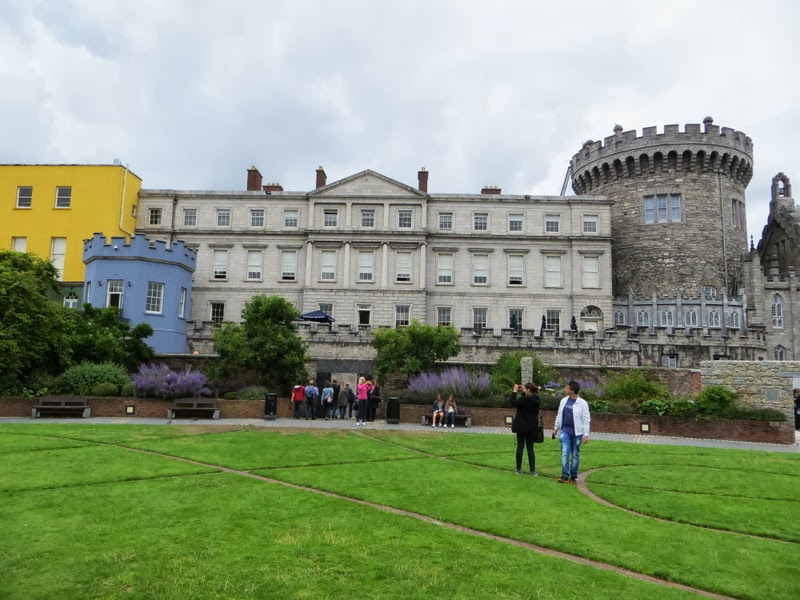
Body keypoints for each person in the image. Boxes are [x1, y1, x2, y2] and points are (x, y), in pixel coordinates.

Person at [553, 380, 591, 483]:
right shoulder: (564, 401)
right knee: (565, 452)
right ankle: (565, 475)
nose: (565, 389)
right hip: (565, 430)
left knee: (575, 454)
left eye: (567, 388)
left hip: (577, 433)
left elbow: (586, 419)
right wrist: (556, 428)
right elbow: (559, 415)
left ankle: (574, 476)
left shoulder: (582, 403)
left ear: (572, 391)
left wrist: (586, 434)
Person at [510, 382, 541, 475]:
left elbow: (512, 402)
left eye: (525, 388)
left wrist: (515, 391)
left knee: (520, 448)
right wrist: (523, 392)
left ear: (528, 390)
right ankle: (533, 471)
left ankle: (518, 469)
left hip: (521, 427)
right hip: (532, 427)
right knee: (530, 449)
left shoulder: (523, 400)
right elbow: (528, 398)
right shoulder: (537, 399)